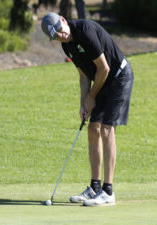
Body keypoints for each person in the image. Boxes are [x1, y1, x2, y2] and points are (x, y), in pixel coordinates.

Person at [41, 12, 134, 206]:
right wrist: (84, 103)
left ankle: (108, 192)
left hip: (118, 77)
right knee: (93, 129)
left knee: (107, 129)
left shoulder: (85, 31)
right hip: (101, 82)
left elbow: (104, 68)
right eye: (55, 36)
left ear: (64, 21)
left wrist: (92, 97)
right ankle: (95, 188)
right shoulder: (67, 46)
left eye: (60, 30)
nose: (61, 36)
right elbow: (84, 76)